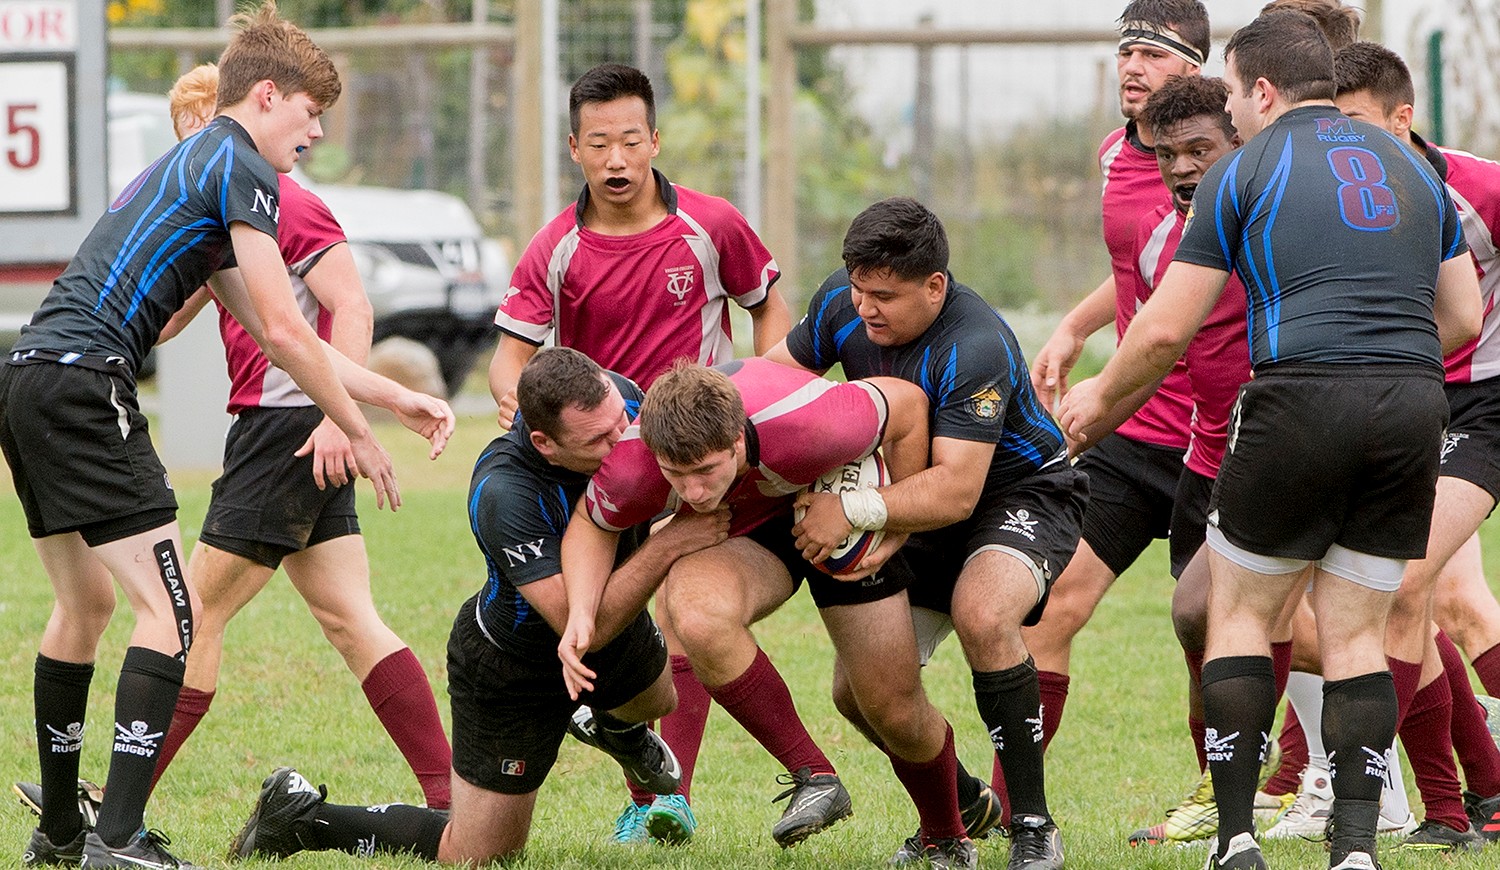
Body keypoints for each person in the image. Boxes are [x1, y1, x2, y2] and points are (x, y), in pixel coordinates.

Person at [0, 4, 454, 869]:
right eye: (310, 112)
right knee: (173, 614)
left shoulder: (195, 160)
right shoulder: (241, 161)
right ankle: (118, 840)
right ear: (269, 95)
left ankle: (62, 832)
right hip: (90, 383)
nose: (315, 133)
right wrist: (354, 429)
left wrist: (394, 396)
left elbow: (285, 328)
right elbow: (286, 332)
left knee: (85, 606)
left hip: (27, 374)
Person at [1059, 11, 1482, 870]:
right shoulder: (1414, 163)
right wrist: (1382, 361)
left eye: (1236, 92)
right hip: (1411, 404)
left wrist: (1094, 407)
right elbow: (1464, 315)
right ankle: (1356, 850)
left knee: (1241, 614)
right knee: (1361, 631)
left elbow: (1162, 332)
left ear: (1260, 89)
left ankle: (1236, 838)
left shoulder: (1247, 166)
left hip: (1297, 397)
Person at [226, 347, 728, 865]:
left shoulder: (616, 404)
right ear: (544, 443)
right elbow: (580, 628)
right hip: (514, 663)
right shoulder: (503, 491)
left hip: (616, 616)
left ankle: (613, 726)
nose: (620, 439)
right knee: (479, 854)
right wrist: (669, 544)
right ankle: (302, 817)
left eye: (620, 422)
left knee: (657, 700)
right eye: (597, 440)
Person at [486, 62, 795, 842]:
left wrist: (767, 388)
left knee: (683, 614)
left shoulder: (712, 225)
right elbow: (507, 358)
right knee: (626, 630)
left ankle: (666, 797)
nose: (617, 160)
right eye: (600, 144)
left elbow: (769, 312)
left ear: (655, 140)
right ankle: (652, 788)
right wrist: (515, 402)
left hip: (697, 454)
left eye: (631, 140)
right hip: (613, 467)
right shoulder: (556, 248)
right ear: (575, 150)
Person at [149, 63, 451, 805]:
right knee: (351, 619)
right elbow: (175, 314)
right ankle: (451, 800)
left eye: (204, 135)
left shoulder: (287, 202)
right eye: (185, 141)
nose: (197, 155)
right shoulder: (216, 212)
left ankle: (118, 805)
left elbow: (351, 308)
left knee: (193, 614)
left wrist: (332, 421)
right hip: (291, 425)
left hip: (289, 425)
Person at [766, 197, 1089, 870]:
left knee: (983, 612)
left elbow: (957, 489)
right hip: (910, 495)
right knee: (859, 694)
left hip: (1014, 496)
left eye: (884, 295)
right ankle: (961, 802)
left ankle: (1033, 824)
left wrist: (850, 510)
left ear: (935, 286)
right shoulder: (843, 301)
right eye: (857, 289)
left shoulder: (975, 345)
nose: (865, 308)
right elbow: (778, 384)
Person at [558, 358, 983, 868]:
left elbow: (909, 406)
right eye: (677, 475)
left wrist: (894, 522)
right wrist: (581, 609)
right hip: (747, 525)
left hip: (834, 505)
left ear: (737, 439)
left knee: (889, 704)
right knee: (695, 614)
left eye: (705, 471)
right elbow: (590, 523)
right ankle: (815, 776)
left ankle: (947, 835)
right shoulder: (635, 459)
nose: (691, 491)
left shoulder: (808, 421)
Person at [1026, 12, 1213, 839]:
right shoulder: (1113, 155)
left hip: (1217, 430)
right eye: (1126, 52)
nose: (1133, 67)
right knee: (1053, 606)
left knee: (1219, 631)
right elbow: (1135, 271)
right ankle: (1012, 807)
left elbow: (1189, 303)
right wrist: (1074, 329)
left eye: (1154, 54)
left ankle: (1237, 789)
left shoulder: (1233, 167)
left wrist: (1108, 383)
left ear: (1198, 71)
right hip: (1134, 435)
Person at [1317, 39, 1500, 850]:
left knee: (1406, 584)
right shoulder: (1336, 194)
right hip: (1406, 401)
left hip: (1486, 404)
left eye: (1359, 124)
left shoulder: (1480, 189)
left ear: (1403, 117)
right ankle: (1464, 804)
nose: (1345, 143)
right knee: (1418, 600)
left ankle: (1354, 792)